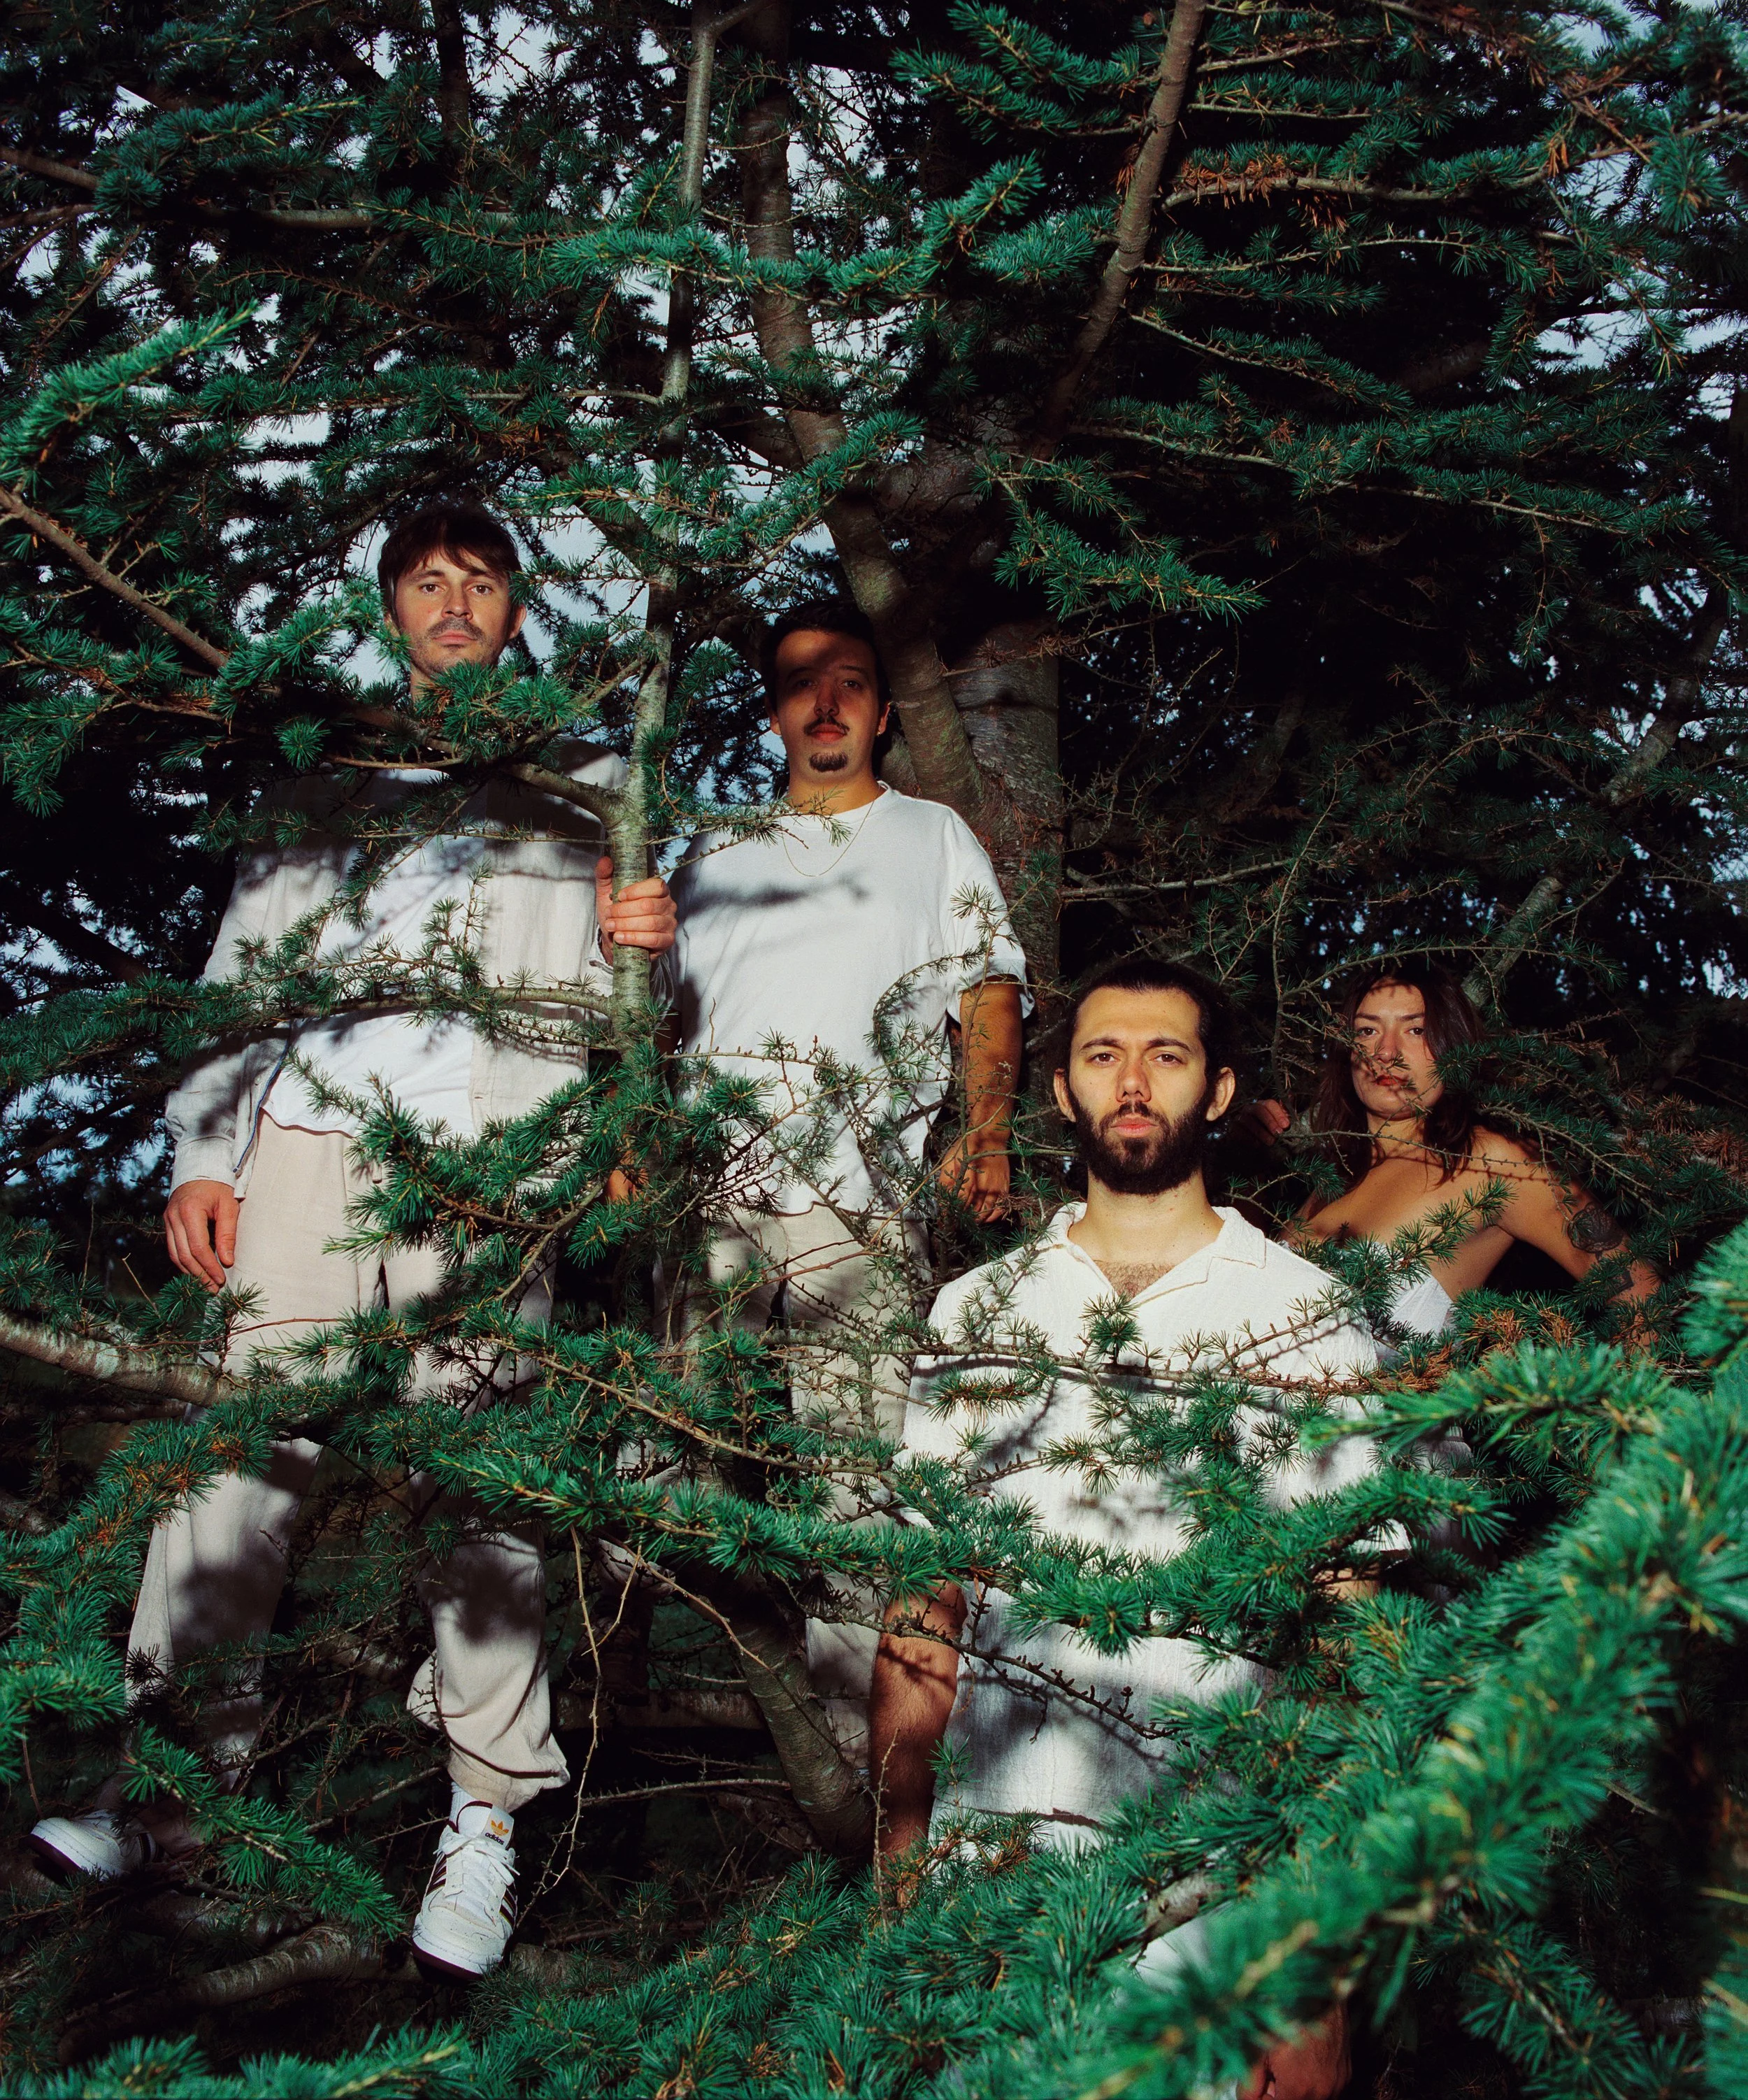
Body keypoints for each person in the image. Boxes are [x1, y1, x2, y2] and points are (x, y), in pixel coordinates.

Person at [29, 501, 677, 1981]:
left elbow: (632, 1009)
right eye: (427, 581)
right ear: (391, 607)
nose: (455, 603)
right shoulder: (323, 787)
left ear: (517, 610)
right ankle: (182, 1792)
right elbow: (237, 979)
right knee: (236, 1471)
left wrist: (648, 945)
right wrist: (208, 1151)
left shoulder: (580, 781)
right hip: (307, 1160)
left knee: (484, 1494)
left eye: (482, 580)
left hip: (485, 1173)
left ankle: (486, 1825)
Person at [868, 959, 1377, 2100]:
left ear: (1221, 1089)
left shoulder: (1310, 1314)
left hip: (1221, 1896)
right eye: (1103, 1055)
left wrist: (1318, 1967)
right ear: (1062, 1092)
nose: (1132, 1081)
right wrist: (898, 1858)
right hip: (998, 1883)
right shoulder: (977, 1313)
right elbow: (923, 1603)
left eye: (1167, 1055)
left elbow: (1347, 1645)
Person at [665, 596, 1028, 1755]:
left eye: (853, 681)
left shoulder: (932, 838)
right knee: (660, 1437)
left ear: (877, 712)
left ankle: (857, 1755)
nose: (826, 704)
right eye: (802, 681)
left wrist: (990, 1129)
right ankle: (541, 1654)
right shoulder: (714, 849)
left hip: (854, 1206)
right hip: (706, 1195)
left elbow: (990, 992)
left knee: (853, 1485)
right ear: (774, 712)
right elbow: (655, 1019)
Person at [1250, 962, 1661, 1336]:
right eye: (1367, 1030)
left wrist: (1620, 1409)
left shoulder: (1490, 1159)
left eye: (1417, 1030)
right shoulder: (1330, 1177)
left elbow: (1640, 1296)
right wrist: (1240, 1153)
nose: (1386, 1052)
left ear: (1454, 1045)